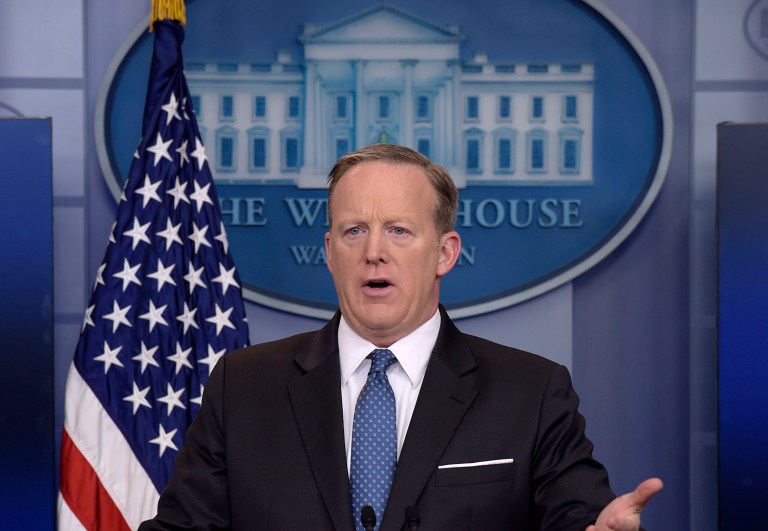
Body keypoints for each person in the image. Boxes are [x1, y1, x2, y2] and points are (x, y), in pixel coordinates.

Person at [139, 144, 662, 530]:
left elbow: (577, 520)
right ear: (329, 251)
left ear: (445, 253)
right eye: (353, 231)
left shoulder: (531, 392)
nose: (373, 252)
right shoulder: (244, 387)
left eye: (399, 230)